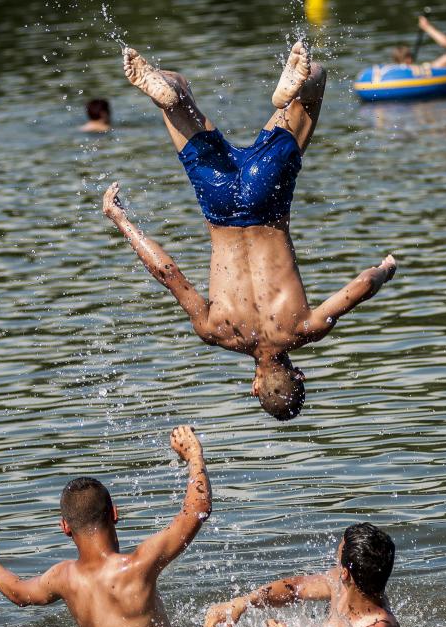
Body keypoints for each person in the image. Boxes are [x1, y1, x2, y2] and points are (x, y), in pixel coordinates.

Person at [103, 40, 397, 421]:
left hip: (266, 196)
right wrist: (123, 221)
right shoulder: (215, 331)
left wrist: (386, 269)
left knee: (317, 79)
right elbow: (167, 273)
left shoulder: (306, 328)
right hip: (219, 200)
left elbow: (360, 287)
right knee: (175, 100)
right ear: (255, 386)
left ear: (299, 372)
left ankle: (298, 86)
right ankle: (165, 86)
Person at [0, 426, 211, 627]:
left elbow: (19, 593)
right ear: (114, 513)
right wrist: (194, 456)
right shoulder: (137, 566)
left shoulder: (63, 578)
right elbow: (197, 509)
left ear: (65, 527)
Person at [204, 522, 401, 627]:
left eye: (338, 554)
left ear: (346, 573)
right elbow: (296, 587)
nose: (335, 559)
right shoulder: (340, 583)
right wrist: (242, 602)